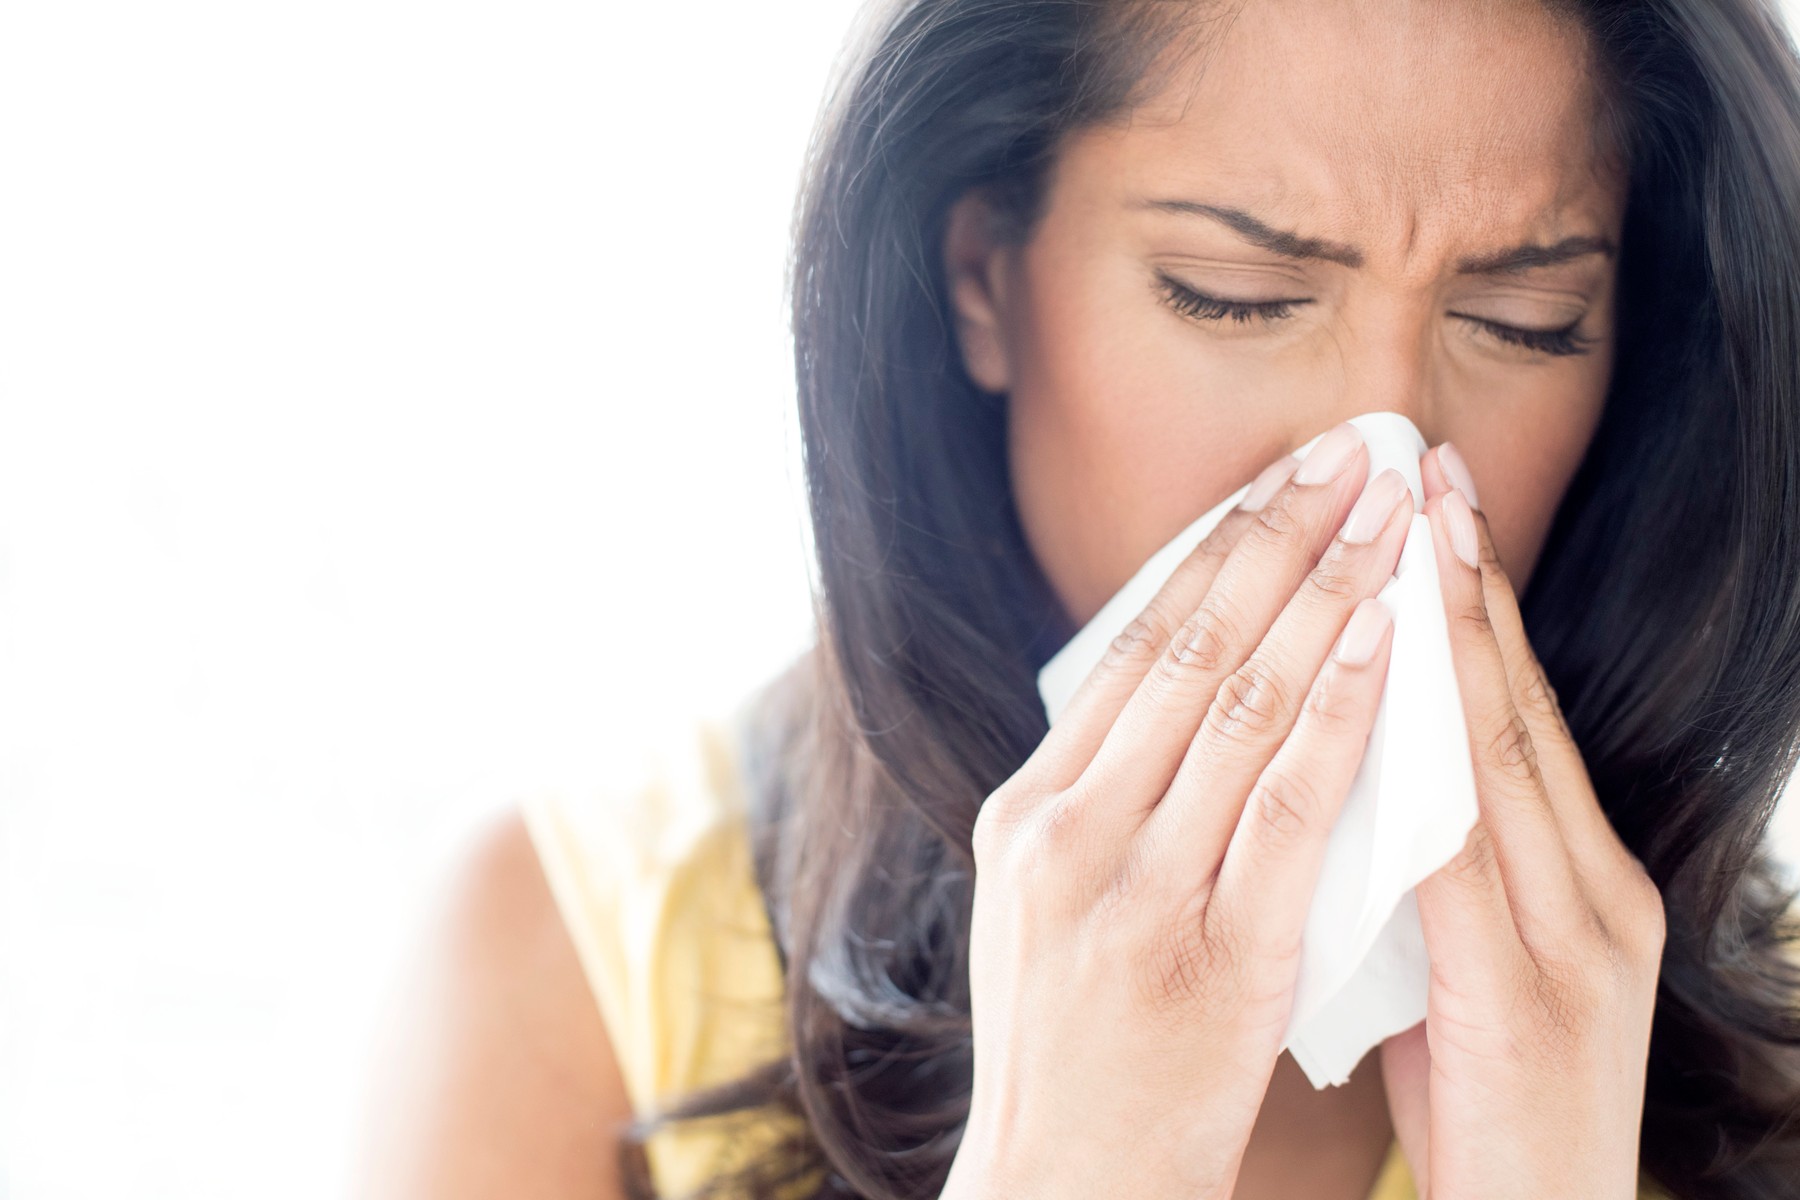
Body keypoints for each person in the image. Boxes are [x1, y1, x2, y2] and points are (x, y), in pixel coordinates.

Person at [352, 0, 1800, 1196]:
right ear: (983, 276)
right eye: (1231, 295)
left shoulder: (1768, 1044)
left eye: (1519, 323)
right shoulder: (570, 967)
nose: (1382, 461)